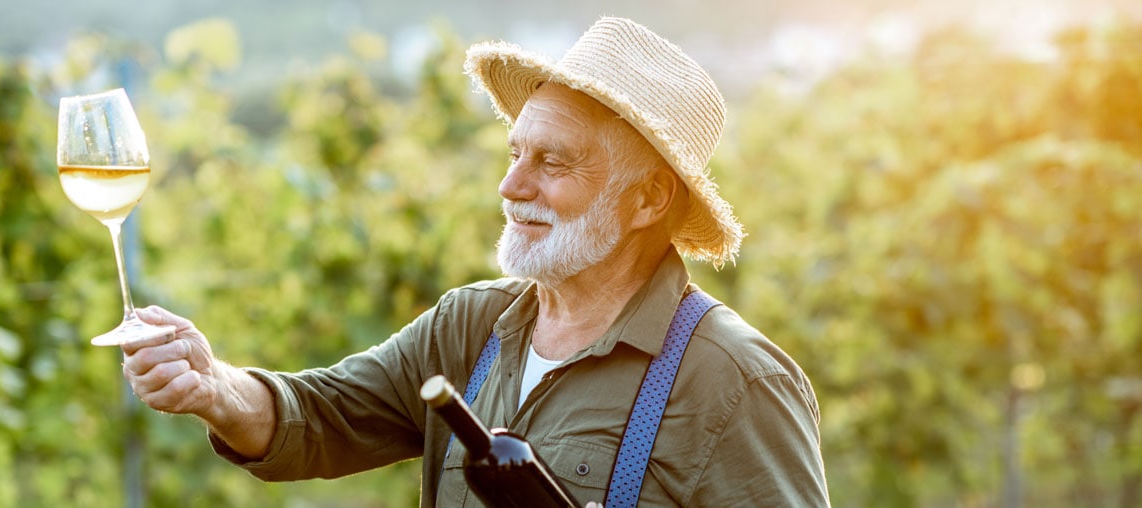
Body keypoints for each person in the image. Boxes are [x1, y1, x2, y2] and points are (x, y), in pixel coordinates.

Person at [122, 16, 830, 507]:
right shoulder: (471, 327)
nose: (512, 186)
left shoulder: (736, 382)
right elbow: (321, 417)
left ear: (646, 198)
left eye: (553, 162)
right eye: (515, 153)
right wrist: (214, 387)